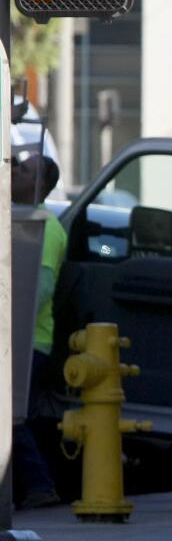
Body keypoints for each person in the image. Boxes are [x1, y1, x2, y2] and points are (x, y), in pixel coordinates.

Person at [11, 153, 65, 509]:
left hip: (31, 339)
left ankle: (40, 485)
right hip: (23, 337)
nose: (15, 171)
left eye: (24, 169)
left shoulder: (44, 225)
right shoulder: (24, 219)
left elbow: (39, 287)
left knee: (11, 416)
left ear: (39, 186)